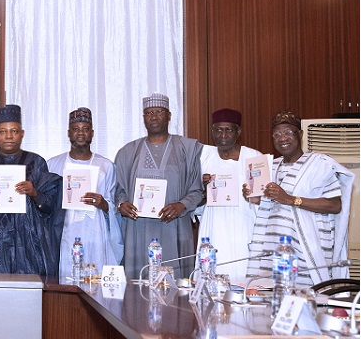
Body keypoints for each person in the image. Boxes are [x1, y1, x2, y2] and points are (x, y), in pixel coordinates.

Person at [245, 111, 354, 286]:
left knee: (308, 300)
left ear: (300, 134)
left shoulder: (319, 164)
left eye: (288, 132)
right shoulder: (270, 166)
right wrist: (257, 198)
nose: (282, 138)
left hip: (308, 252)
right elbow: (272, 207)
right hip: (275, 251)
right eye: (276, 135)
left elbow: (335, 206)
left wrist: (290, 199)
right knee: (273, 297)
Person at [0, 104, 62, 276]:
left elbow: (49, 206)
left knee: (26, 288)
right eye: (3, 132)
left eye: (14, 131)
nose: (8, 136)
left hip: (27, 243)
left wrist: (34, 193)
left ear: (22, 134)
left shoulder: (36, 162)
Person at [115, 93, 203, 280]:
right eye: (149, 113)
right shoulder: (128, 152)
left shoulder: (186, 148)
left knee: (174, 285)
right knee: (137, 284)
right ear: (143, 118)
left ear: (169, 115)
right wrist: (121, 204)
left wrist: (181, 205)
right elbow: (118, 189)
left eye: (158, 112)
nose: (153, 117)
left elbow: (197, 189)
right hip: (138, 228)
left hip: (174, 226)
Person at [47, 107, 123, 279]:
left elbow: (112, 206)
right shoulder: (53, 165)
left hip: (96, 235)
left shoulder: (106, 166)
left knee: (95, 281)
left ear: (92, 133)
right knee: (67, 279)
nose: (80, 133)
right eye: (75, 129)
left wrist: (103, 204)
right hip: (65, 234)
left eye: (85, 129)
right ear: (69, 133)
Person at [195, 108, 262, 283]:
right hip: (213, 228)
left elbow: (267, 201)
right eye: (218, 130)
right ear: (212, 131)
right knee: (211, 280)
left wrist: (255, 197)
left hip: (245, 229)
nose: (223, 135)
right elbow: (194, 201)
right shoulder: (203, 158)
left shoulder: (254, 157)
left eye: (228, 130)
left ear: (238, 131)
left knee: (247, 281)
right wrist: (203, 190)